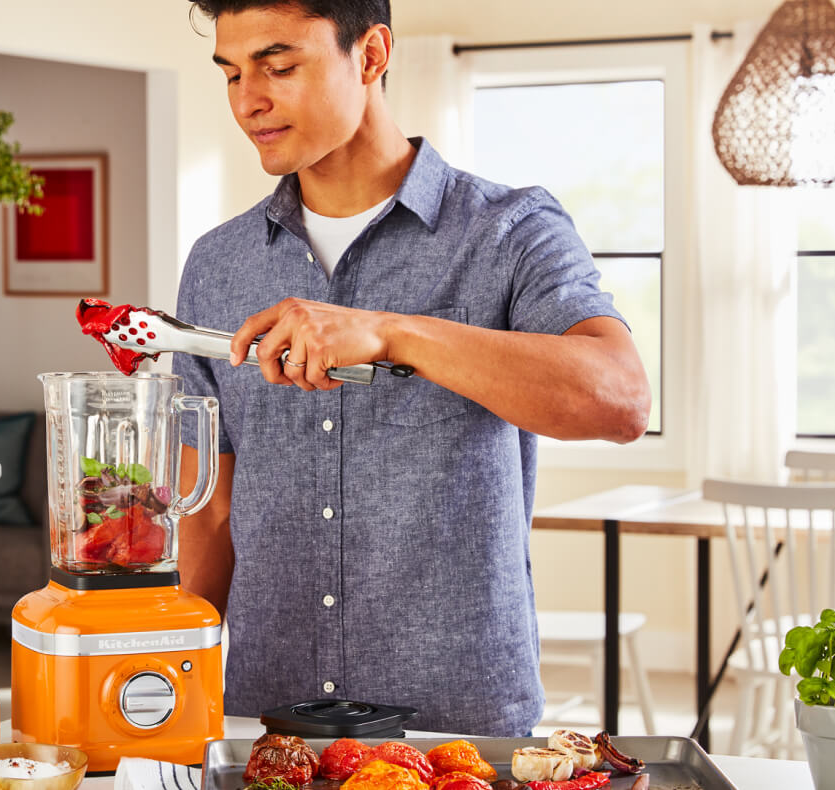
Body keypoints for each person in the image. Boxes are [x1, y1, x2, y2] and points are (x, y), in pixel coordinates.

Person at [173, 0, 651, 736]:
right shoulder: (217, 264)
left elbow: (619, 399)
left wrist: (391, 332)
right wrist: (177, 678)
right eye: (232, 73)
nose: (248, 100)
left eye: (279, 65)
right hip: (267, 728)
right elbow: (211, 504)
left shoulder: (510, 230)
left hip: (461, 733)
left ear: (370, 56)